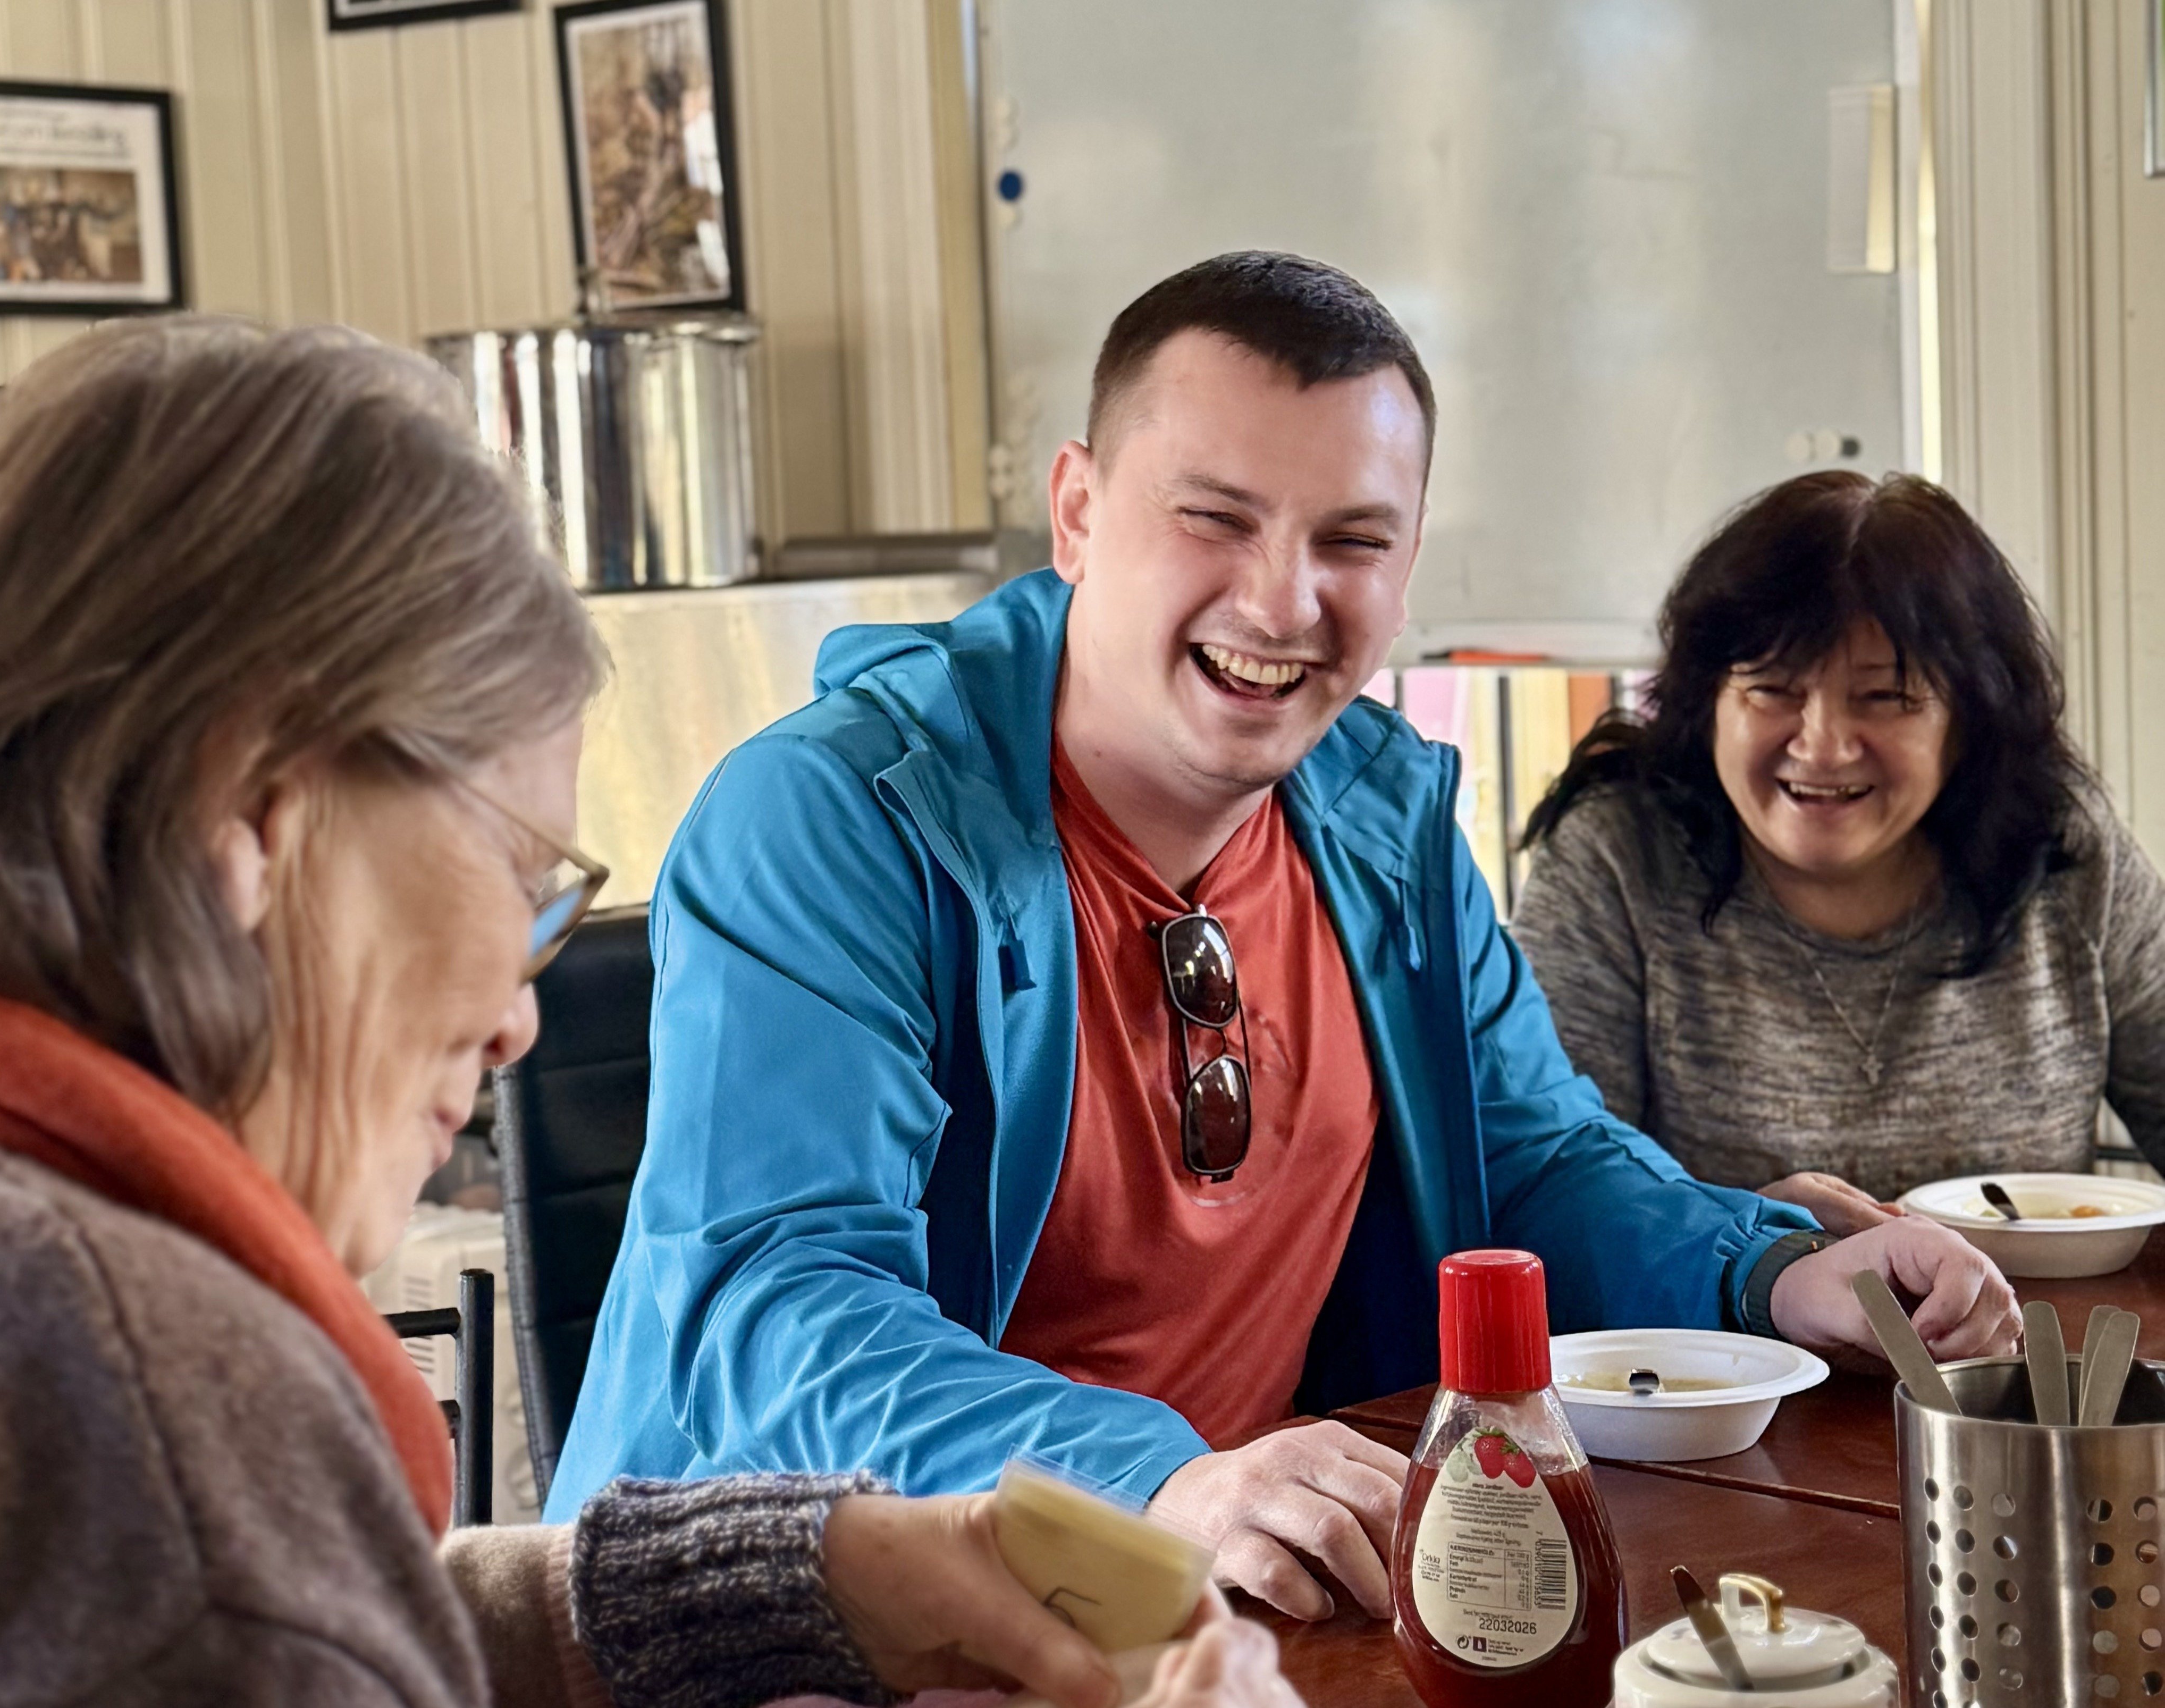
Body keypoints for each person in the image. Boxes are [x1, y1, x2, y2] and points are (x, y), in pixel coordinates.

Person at [551, 253, 2020, 1622]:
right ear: (1075, 510)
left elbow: (1530, 1157)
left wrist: (1767, 1272)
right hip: (806, 1612)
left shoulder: (1375, 810)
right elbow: (778, 1301)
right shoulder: (828, 818)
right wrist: (1151, 1481)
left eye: (1351, 540)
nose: (1280, 598)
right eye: (1215, 516)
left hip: (1219, 1602)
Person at [0, 316, 1297, 1708]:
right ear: (250, 812)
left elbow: (283, 1633)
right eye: (515, 871)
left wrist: (791, 1583)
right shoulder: (134, 1408)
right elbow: (237, 1608)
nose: (516, 1017)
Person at [1513, 469, 2165, 1225]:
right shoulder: (1619, 857)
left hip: (2034, 1343)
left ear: (1970, 718)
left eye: (1885, 696)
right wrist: (1741, 1236)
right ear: (1709, 702)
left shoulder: (2062, 849)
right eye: (1773, 689)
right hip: (1723, 1342)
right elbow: (1550, 1190)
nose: (1822, 746)